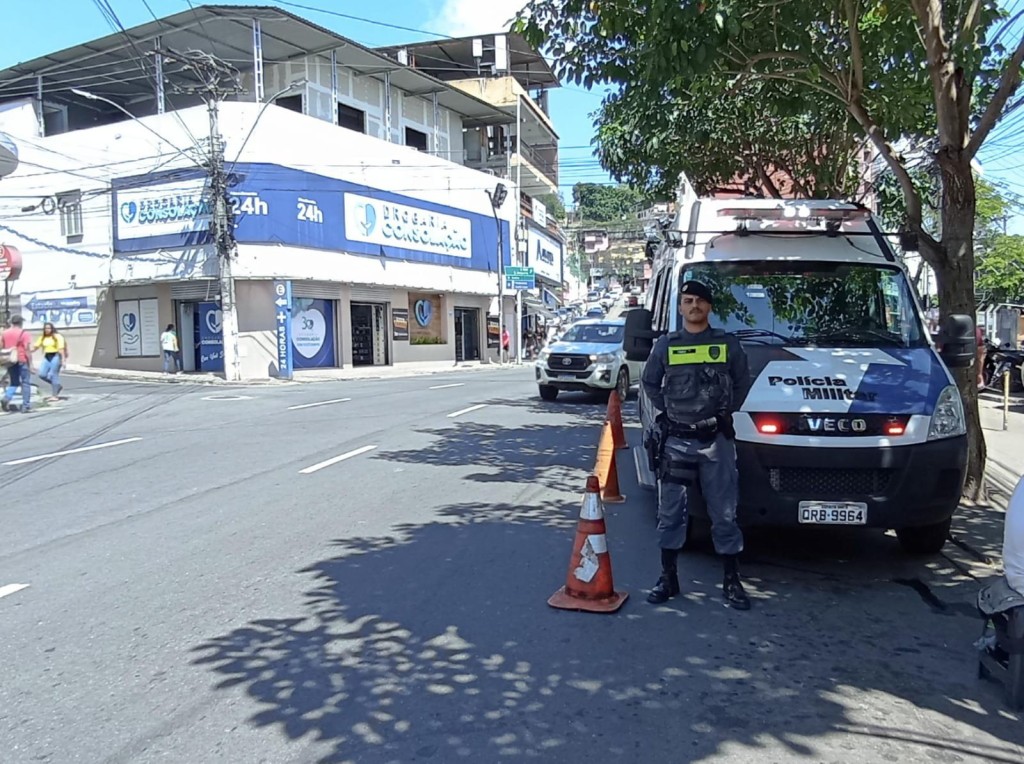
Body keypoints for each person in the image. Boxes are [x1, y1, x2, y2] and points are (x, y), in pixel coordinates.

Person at [641, 280, 752, 610]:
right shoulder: (667, 345)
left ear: (709, 307)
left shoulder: (727, 344)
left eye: (700, 301)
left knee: (725, 513)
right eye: (688, 301)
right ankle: (668, 578)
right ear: (680, 307)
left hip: (716, 442)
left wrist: (724, 414)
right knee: (670, 514)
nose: (694, 306)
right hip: (676, 442)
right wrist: (669, 412)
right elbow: (649, 382)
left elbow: (742, 381)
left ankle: (731, 581)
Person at [1, 314, 34, 413]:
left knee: (14, 382)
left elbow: (1, 346)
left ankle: (7, 397)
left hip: (10, 360)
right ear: (21, 322)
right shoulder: (24, 333)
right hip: (21, 359)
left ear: (12, 322)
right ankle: (26, 406)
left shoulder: (4, 333)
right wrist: (31, 364)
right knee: (25, 382)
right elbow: (27, 350)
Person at [33, 322, 67, 402]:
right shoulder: (43, 337)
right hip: (47, 356)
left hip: (56, 356)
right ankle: (57, 385)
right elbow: (35, 347)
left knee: (53, 375)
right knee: (42, 374)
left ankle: (55, 396)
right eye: (45, 328)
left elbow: (61, 349)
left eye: (49, 328)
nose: (47, 330)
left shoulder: (57, 336)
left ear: (52, 329)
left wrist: (63, 360)